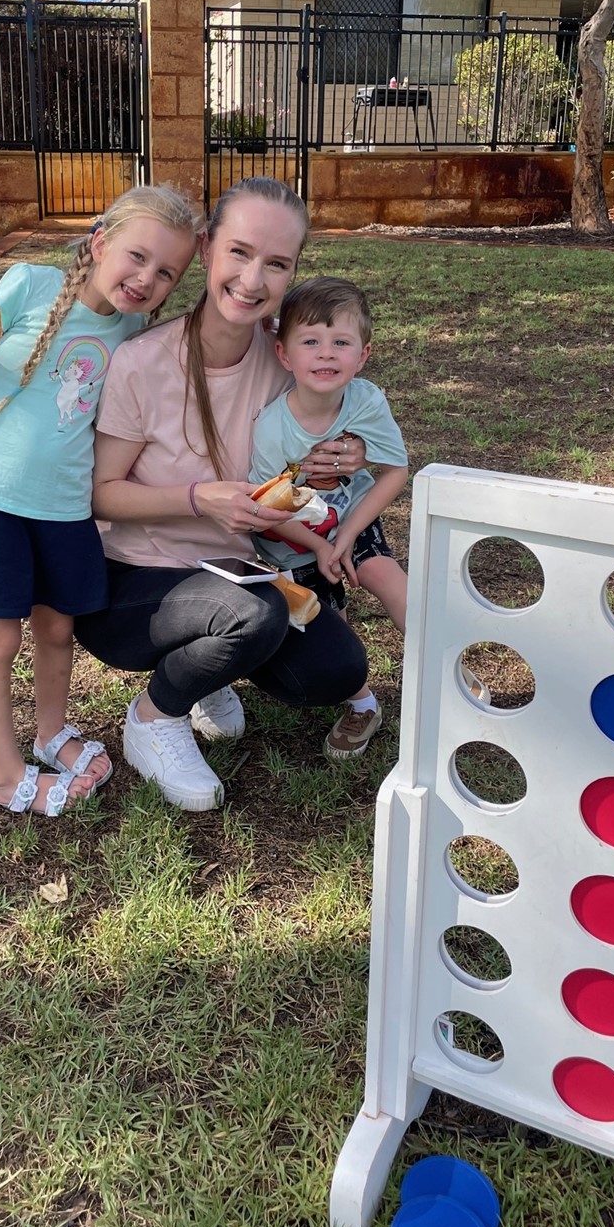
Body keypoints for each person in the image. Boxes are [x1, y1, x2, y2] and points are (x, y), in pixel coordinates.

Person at [74, 177, 372, 813]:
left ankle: (207, 670)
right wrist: (198, 498)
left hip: (238, 569)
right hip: (131, 583)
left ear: (292, 272)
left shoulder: (287, 361)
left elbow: (322, 451)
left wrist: (342, 460)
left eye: (276, 263)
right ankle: (155, 717)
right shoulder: (143, 361)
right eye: (239, 252)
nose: (252, 278)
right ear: (207, 248)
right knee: (253, 614)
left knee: (337, 670)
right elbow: (100, 495)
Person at [0, 185, 202, 817]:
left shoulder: (135, 333)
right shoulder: (30, 284)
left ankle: (50, 732)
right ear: (100, 243)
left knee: (56, 630)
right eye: (137, 256)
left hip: (67, 509)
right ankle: (4, 774)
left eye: (166, 273)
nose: (146, 278)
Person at [250, 275, 488, 760]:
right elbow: (264, 510)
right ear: (284, 354)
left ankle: (447, 671)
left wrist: (349, 533)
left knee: (394, 583)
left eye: (341, 342)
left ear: (363, 355)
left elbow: (395, 470)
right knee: (331, 627)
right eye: (310, 342)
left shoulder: (365, 400)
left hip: (351, 518)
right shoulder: (272, 427)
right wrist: (321, 547)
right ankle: (362, 705)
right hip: (293, 541)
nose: (326, 354)